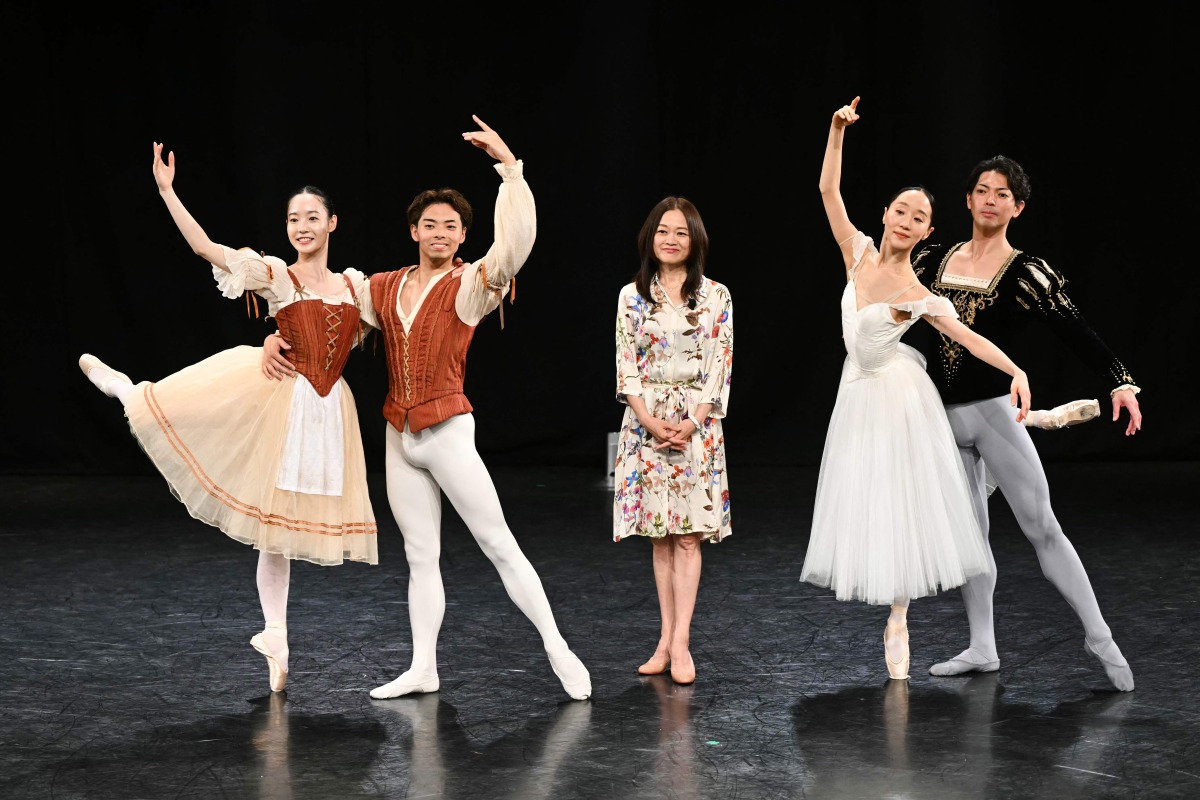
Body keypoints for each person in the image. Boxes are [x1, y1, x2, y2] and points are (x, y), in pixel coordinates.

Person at [262, 115, 591, 701]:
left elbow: (515, 246)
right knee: (420, 555)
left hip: (447, 431)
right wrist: (273, 336)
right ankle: (423, 666)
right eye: (431, 224)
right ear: (414, 230)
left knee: (498, 543)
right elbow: (320, 309)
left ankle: (557, 648)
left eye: (452, 226)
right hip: (400, 435)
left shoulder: (470, 286)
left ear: (464, 236)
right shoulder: (381, 287)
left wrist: (510, 171)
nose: (441, 233)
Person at [78, 142, 378, 694]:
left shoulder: (358, 287)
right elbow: (208, 249)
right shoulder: (278, 276)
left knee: (280, 532)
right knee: (264, 515)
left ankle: (275, 637)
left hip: (328, 411)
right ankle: (130, 392)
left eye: (312, 217)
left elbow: (411, 302)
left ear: (333, 223)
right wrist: (168, 191)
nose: (302, 226)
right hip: (280, 400)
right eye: (293, 219)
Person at [799, 97, 1032, 680]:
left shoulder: (919, 291)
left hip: (899, 396)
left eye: (917, 217)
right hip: (857, 391)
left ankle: (900, 614)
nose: (905, 221)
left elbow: (969, 338)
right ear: (884, 214)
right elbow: (829, 191)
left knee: (902, 498)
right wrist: (836, 132)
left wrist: (1017, 372)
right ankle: (891, 606)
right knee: (865, 498)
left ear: (928, 230)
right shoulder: (856, 253)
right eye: (899, 210)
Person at [908, 152, 1142, 691]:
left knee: (1043, 528)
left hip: (994, 416)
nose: (991, 200)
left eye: (1003, 194)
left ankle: (1099, 634)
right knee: (971, 541)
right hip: (940, 420)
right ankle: (982, 646)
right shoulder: (930, 260)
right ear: (967, 200)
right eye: (982, 191)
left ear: (1018, 207)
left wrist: (1120, 378)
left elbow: (1076, 330)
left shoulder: (1026, 273)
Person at [612, 196, 734, 687]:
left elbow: (719, 365)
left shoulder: (716, 295)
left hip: (696, 426)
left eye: (680, 232)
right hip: (645, 424)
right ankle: (666, 637)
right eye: (663, 230)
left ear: (695, 239)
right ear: (650, 236)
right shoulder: (631, 296)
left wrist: (692, 422)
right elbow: (626, 362)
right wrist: (646, 419)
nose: (670, 239)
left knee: (687, 535)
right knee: (660, 536)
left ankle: (680, 641)